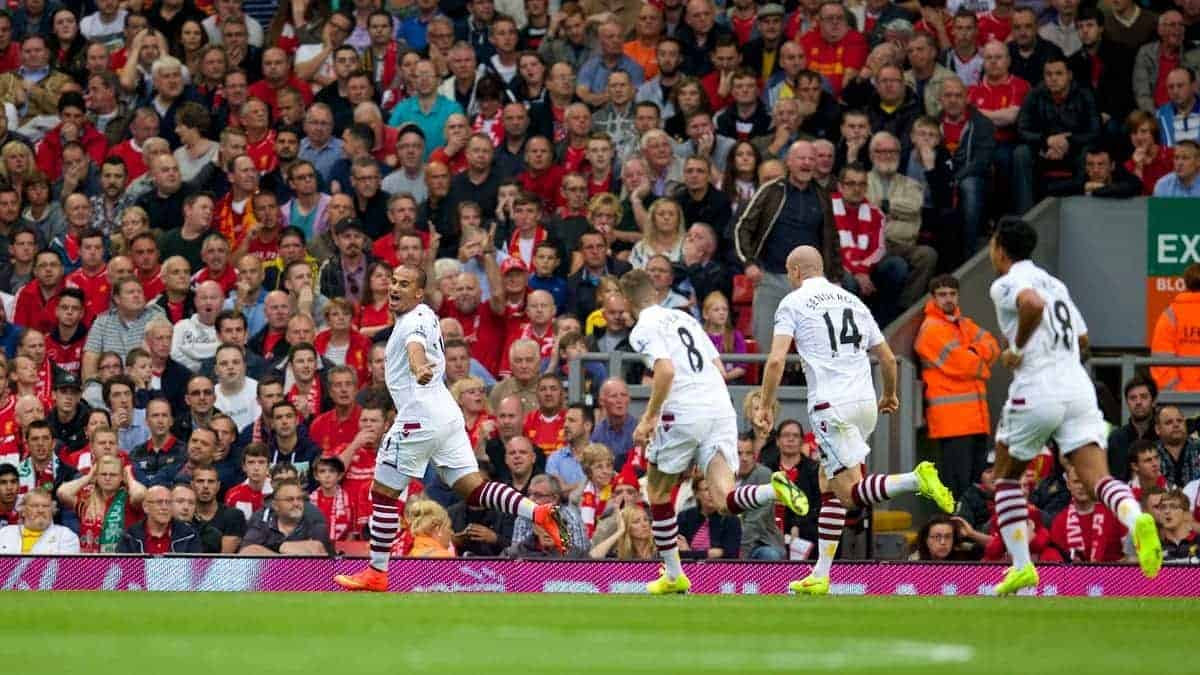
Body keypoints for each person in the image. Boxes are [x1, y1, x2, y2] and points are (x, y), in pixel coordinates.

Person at [334, 265, 568, 591]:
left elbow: (414, 347)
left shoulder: (413, 322)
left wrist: (419, 367)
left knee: (383, 493)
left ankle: (377, 571)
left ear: (419, 293)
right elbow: (403, 333)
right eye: (394, 282)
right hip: (446, 414)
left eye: (404, 284)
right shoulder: (426, 314)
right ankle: (539, 512)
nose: (394, 288)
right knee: (473, 489)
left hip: (419, 417)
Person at [757, 245, 955, 595]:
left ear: (795, 272)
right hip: (865, 403)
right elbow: (888, 358)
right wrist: (890, 395)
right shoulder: (853, 301)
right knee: (827, 484)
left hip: (830, 406)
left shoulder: (793, 302)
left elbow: (775, 360)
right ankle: (821, 574)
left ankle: (915, 479)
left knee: (849, 493)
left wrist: (766, 404)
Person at [985, 217, 1161, 594]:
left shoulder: (1006, 283)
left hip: (1037, 384)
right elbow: (1082, 338)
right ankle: (1137, 521)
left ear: (1000, 248)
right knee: (1098, 479)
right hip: (1078, 385)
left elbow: (1031, 304)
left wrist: (1017, 349)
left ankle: (1022, 567)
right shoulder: (1057, 284)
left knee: (1005, 477)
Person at [618, 269, 807, 593]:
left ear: (626, 300)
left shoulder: (643, 328)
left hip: (683, 407)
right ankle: (772, 490)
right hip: (718, 405)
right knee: (724, 499)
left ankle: (674, 575)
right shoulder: (685, 318)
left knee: (658, 493)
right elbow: (718, 367)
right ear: (655, 292)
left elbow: (665, 371)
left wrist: (649, 418)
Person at [732, 140, 841, 348]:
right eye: (801, 158)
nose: (806, 163)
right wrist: (749, 263)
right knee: (766, 348)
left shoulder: (822, 196)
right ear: (788, 162)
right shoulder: (771, 190)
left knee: (816, 348)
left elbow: (832, 239)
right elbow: (742, 228)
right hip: (771, 278)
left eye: (811, 159)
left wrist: (835, 277)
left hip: (810, 284)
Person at [915, 274, 1000, 498]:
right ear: (933, 298)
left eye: (952, 294)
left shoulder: (963, 324)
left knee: (977, 486)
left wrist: (973, 351)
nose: (948, 299)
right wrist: (980, 361)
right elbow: (963, 364)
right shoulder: (931, 329)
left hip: (976, 419)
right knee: (958, 487)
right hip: (952, 422)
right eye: (942, 294)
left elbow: (993, 345)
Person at [238, 478, 333, 556]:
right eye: (289, 499)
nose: (296, 503)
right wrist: (281, 549)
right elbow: (246, 552)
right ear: (275, 505)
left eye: (299, 498)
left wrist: (270, 550)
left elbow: (321, 557)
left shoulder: (315, 525)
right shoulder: (262, 523)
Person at [1151, 262, 1200, 392]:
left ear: (1186, 283)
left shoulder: (1170, 315)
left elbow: (1161, 364)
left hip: (1179, 400)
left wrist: (1181, 394)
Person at [1107, 376, 1158, 480]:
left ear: (1153, 401)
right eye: (1133, 398)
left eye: (1143, 397)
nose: (1138, 402)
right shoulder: (1116, 439)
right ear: (1127, 403)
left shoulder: (1162, 436)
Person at [0, 488, 80, 553]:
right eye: (34, 506)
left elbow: (66, 567)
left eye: (45, 506)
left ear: (52, 511)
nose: (40, 510)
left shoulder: (66, 536)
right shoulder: (4, 533)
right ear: (23, 511)